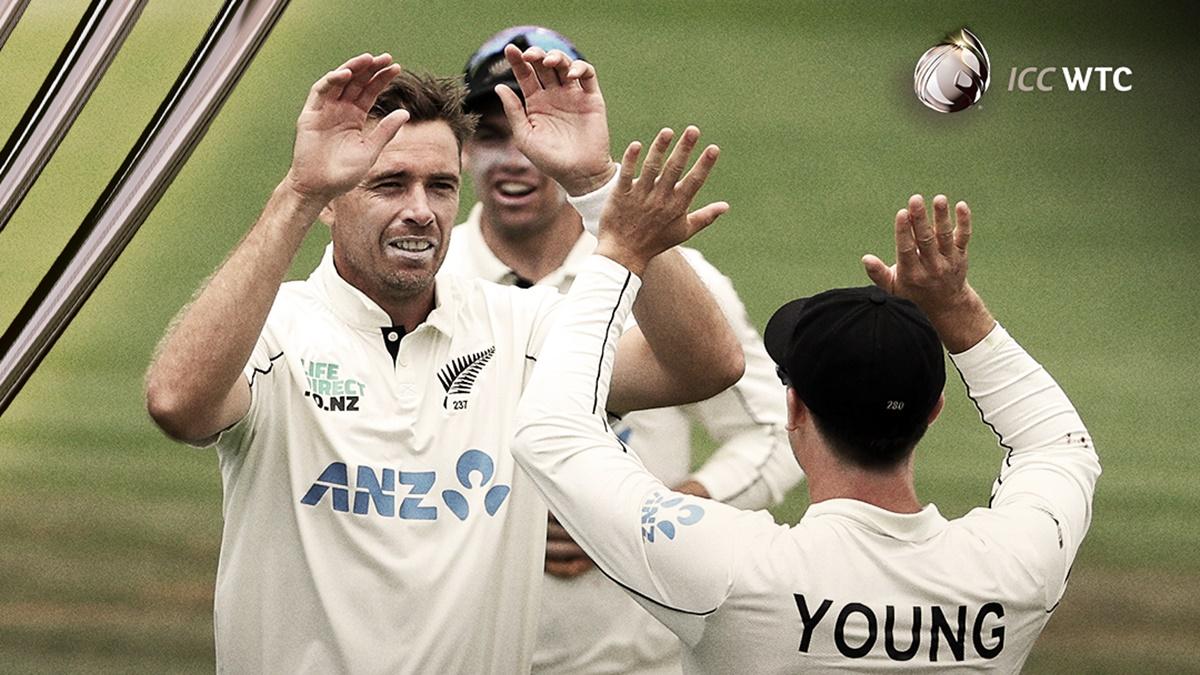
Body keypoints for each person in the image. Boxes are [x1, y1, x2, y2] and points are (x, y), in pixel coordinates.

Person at [144, 48, 744, 673]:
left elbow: (704, 367)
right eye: (388, 184)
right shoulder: (277, 330)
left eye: (440, 186)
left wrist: (595, 185)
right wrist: (297, 193)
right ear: (331, 199)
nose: (420, 210)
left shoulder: (522, 326)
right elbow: (177, 405)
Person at [512, 192, 1101, 672]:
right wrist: (957, 310)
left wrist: (619, 250)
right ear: (934, 411)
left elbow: (553, 434)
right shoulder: (1017, 567)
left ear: (794, 409)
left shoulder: (731, 568)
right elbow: (1057, 445)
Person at [442, 27, 804, 673]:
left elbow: (776, 430)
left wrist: (652, 516)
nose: (515, 158)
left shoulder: (669, 282)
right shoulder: (427, 288)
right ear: (465, 147)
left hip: (636, 660)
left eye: (535, 131)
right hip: (456, 651)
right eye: (490, 134)